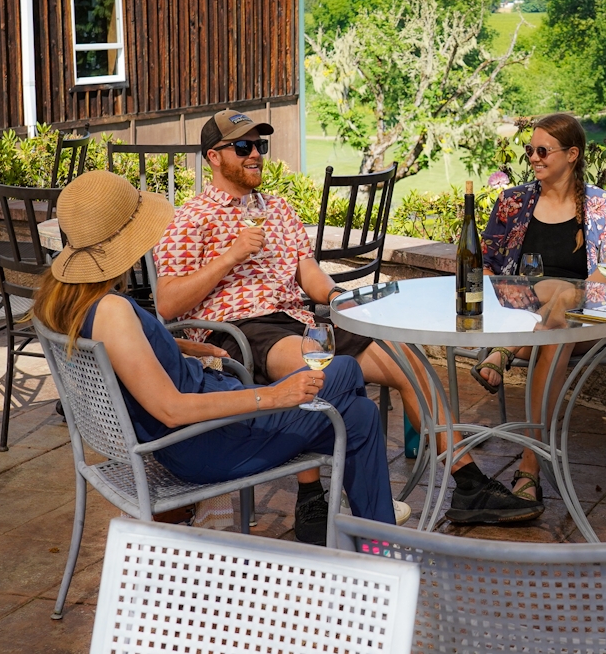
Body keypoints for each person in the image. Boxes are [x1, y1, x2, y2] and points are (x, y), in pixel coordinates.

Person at [153, 109, 539, 524]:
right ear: (214, 156)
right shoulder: (190, 217)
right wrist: (231, 255)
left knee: (409, 362)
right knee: (327, 374)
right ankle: (315, 497)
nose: (255, 155)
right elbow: (167, 304)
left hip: (298, 320)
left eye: (259, 146)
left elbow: (305, 269)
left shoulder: (276, 207)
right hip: (241, 331)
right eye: (243, 147)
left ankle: (469, 486)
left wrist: (338, 296)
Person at [31, 171, 396, 544]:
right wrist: (271, 397)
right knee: (345, 370)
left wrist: (181, 347)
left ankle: (377, 538)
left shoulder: (64, 300)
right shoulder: (113, 311)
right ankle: (375, 541)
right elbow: (171, 409)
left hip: (205, 432)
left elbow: (129, 356)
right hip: (208, 442)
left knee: (358, 416)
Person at [476, 113, 606, 515]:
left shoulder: (601, 205)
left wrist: (587, 287)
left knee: (565, 296)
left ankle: (506, 354)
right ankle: (528, 471)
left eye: (542, 150)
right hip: (521, 314)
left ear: (572, 154)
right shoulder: (513, 202)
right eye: (529, 150)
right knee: (554, 310)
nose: (533, 157)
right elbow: (482, 261)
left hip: (587, 319)